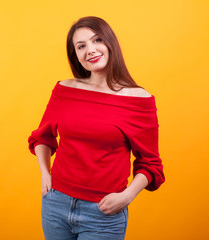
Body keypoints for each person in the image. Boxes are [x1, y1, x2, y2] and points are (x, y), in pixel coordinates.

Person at [27, 16, 165, 240]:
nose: (90, 50)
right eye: (81, 46)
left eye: (97, 40)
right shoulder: (65, 89)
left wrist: (127, 196)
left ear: (110, 44)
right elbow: (42, 137)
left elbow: (150, 164)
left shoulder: (139, 100)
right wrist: (45, 173)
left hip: (103, 213)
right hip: (56, 204)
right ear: (76, 56)